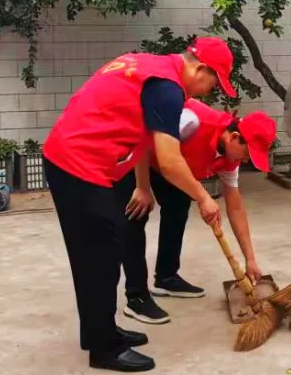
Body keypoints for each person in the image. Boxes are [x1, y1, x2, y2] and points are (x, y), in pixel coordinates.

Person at [41, 38, 236, 373]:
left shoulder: (148, 66)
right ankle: (104, 350)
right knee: (98, 257)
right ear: (200, 68)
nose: (208, 91)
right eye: (213, 83)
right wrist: (204, 197)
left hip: (91, 161)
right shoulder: (167, 87)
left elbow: (139, 134)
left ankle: (102, 330)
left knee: (109, 245)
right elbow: (170, 160)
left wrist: (143, 185)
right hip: (78, 163)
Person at [114, 102, 277, 324]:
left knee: (178, 206)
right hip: (136, 153)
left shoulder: (231, 159)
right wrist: (142, 187)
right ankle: (137, 298)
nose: (246, 160)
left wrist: (250, 260)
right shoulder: (192, 121)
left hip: (170, 164)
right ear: (233, 137)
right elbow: (144, 135)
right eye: (247, 154)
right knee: (136, 214)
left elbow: (236, 208)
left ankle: (166, 277)